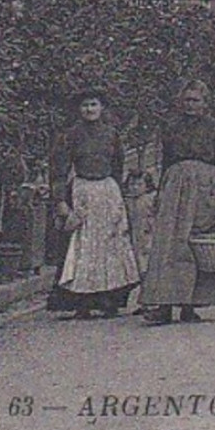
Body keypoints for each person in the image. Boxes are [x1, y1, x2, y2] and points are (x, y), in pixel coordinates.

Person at [140, 79, 215, 326]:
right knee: (168, 246)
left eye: (196, 100)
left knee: (197, 245)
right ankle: (163, 304)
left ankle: (190, 305)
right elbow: (166, 162)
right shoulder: (171, 127)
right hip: (175, 192)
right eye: (186, 100)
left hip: (204, 193)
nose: (190, 105)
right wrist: (159, 191)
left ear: (205, 104)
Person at [45, 89, 141, 319]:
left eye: (94, 105)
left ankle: (109, 300)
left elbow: (118, 165)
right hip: (82, 191)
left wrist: (117, 194)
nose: (89, 109)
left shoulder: (111, 134)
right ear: (79, 109)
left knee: (110, 244)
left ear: (102, 108)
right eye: (85, 105)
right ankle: (81, 302)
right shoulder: (70, 135)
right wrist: (60, 201)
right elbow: (58, 171)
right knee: (83, 246)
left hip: (107, 191)